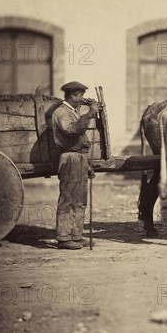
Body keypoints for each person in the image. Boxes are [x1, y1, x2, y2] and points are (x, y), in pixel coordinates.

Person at [52, 81, 100, 250]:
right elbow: (71, 131)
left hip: (79, 158)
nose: (82, 99)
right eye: (80, 95)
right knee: (68, 199)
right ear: (73, 95)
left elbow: (80, 139)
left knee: (80, 200)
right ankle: (64, 238)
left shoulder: (73, 111)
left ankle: (76, 235)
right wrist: (90, 113)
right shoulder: (61, 112)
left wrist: (87, 164)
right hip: (70, 158)